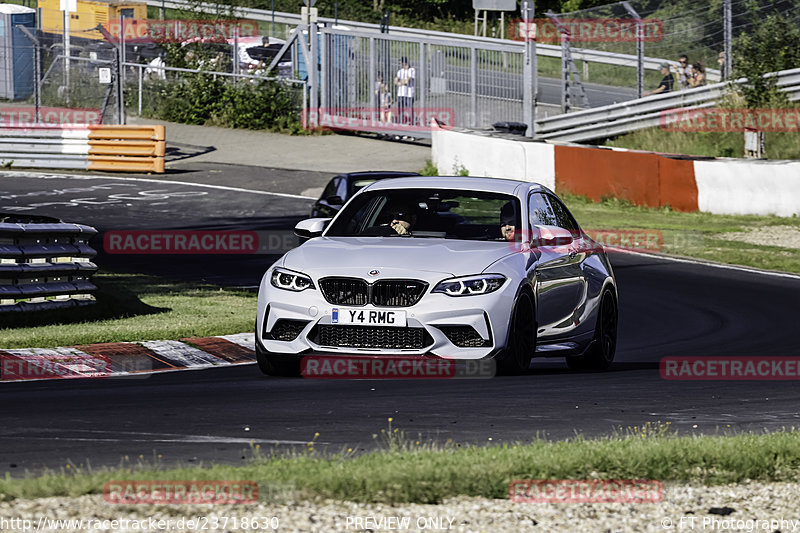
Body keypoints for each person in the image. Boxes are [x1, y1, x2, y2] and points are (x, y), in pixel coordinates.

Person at [394, 57, 416, 126]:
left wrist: (400, 82)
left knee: (409, 109)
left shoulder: (411, 70)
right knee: (401, 110)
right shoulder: (400, 71)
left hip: (409, 94)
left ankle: (411, 124)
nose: (401, 65)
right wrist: (400, 82)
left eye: (402, 63)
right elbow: (395, 81)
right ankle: (401, 123)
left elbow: (408, 80)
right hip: (401, 93)